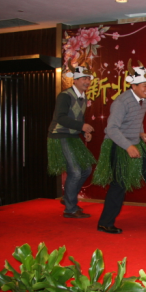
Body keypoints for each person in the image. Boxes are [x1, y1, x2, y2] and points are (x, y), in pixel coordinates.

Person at [93, 59, 146, 234]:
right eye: (144, 86)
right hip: (118, 144)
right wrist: (128, 146)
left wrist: (140, 132)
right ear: (134, 86)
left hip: (134, 141)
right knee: (120, 182)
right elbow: (112, 129)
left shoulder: (145, 100)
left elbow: (137, 119)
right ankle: (105, 223)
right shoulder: (121, 102)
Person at [47, 64, 96, 218]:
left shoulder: (83, 96)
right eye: (83, 78)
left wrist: (84, 132)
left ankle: (68, 197)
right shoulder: (65, 96)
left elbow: (78, 118)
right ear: (75, 80)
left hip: (73, 136)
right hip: (60, 135)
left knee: (86, 169)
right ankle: (70, 209)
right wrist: (82, 126)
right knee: (75, 172)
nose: (87, 81)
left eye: (88, 78)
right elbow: (61, 118)